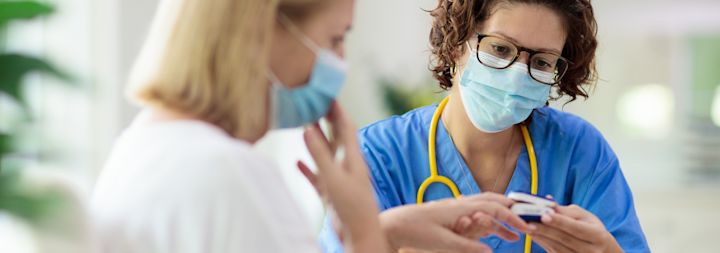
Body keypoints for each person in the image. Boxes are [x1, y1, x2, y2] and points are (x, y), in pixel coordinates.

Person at [90, 0, 529, 252]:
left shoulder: (144, 145)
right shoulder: (230, 174)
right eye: (336, 37)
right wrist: (362, 231)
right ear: (260, 30)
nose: (339, 63)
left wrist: (385, 231)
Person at [320, 0, 651, 252]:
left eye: (541, 62)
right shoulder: (378, 155)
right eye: (500, 48)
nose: (518, 73)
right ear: (456, 43)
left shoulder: (579, 151)